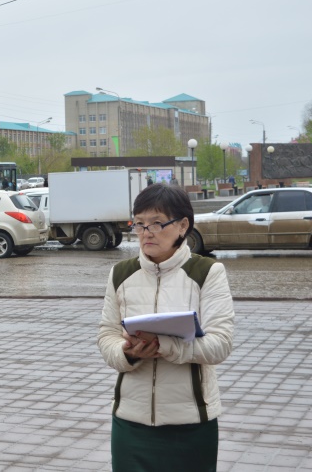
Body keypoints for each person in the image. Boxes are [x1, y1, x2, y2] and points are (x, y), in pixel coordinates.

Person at [97, 184, 234, 471]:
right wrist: (129, 352)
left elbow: (220, 344)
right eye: (139, 223)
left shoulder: (207, 272)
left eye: (157, 223)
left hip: (191, 425)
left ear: (183, 225)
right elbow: (106, 335)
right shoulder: (121, 274)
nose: (147, 232)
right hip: (130, 423)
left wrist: (165, 346)